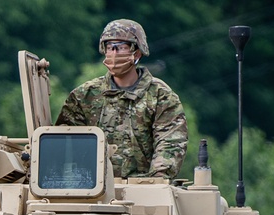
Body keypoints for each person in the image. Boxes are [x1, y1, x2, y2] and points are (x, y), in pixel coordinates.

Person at [56, 19, 187, 179]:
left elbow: (171, 141)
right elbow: (64, 142)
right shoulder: (85, 95)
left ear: (137, 53)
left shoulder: (160, 95)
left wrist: (157, 179)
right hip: (91, 189)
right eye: (110, 48)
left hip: (142, 191)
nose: (114, 54)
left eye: (121, 47)